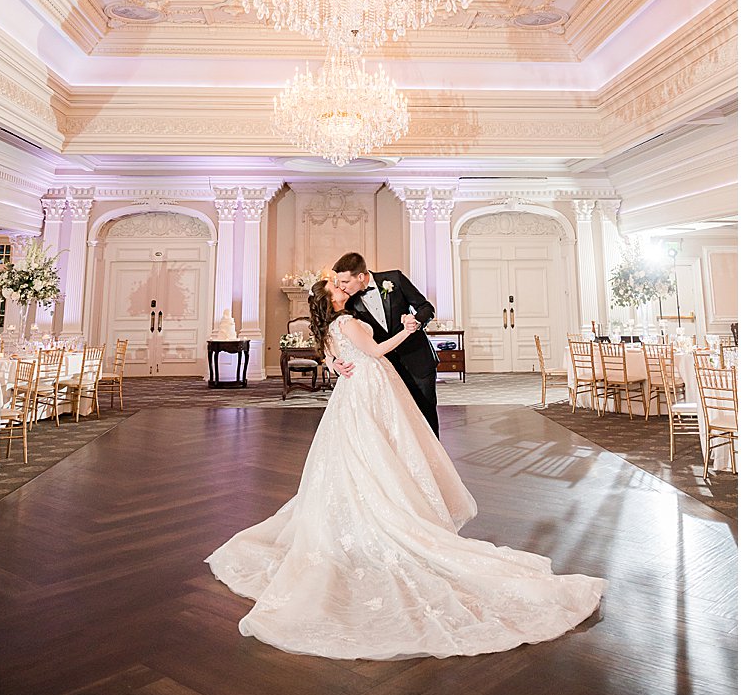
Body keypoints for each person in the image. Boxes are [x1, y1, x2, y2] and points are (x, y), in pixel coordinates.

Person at [205, 278, 603, 660]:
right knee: (381, 450)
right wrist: (409, 329)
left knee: (360, 453)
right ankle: (387, 510)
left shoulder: (326, 326)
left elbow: (330, 355)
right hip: (372, 386)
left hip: (353, 392)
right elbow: (377, 353)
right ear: (332, 301)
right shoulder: (344, 320)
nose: (344, 290)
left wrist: (337, 363)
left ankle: (366, 503)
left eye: (343, 285)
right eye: (337, 289)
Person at [331, 252, 440, 435]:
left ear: (360, 276)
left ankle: (435, 460)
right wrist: (333, 361)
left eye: (345, 282)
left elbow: (426, 308)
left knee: (426, 411)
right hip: (386, 367)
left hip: (418, 359)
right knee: (399, 418)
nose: (341, 287)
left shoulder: (394, 278)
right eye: (339, 282)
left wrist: (417, 321)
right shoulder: (348, 302)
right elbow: (339, 335)